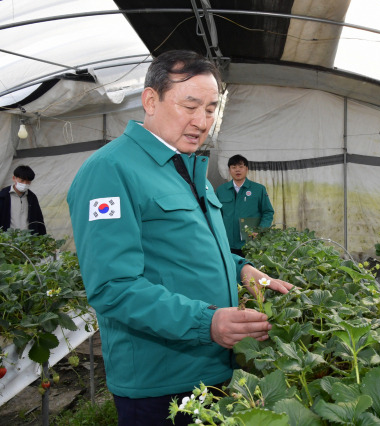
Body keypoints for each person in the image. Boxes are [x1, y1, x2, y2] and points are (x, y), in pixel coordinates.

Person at [67, 50, 292, 426]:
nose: (202, 121)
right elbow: (112, 287)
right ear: (150, 100)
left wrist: (242, 269)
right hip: (160, 382)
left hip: (212, 366)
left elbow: (192, 247)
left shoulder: (187, 167)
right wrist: (206, 323)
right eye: (190, 106)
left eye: (210, 109)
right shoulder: (109, 171)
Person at [215, 154, 274, 256]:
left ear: (247, 169)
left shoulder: (258, 189)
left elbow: (268, 212)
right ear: (229, 170)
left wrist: (260, 230)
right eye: (233, 167)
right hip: (227, 242)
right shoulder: (221, 190)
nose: (237, 170)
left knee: (250, 269)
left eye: (241, 167)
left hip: (251, 241)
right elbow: (216, 215)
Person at [0, 165, 46, 235]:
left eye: (28, 182)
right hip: (8, 240)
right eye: (22, 180)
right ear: (14, 178)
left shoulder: (32, 197)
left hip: (28, 241)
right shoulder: (3, 196)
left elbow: (38, 219)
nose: (25, 184)